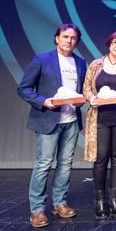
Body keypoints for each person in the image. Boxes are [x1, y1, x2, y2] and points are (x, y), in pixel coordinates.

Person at [17, 23, 87, 228]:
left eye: (73, 38)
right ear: (57, 38)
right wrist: (43, 101)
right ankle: (37, 210)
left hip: (71, 121)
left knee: (65, 164)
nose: (69, 41)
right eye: (65, 37)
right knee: (44, 164)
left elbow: (79, 90)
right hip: (48, 119)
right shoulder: (42, 59)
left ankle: (59, 203)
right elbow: (24, 89)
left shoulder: (80, 62)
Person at [83, 31, 116, 219]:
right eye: (115, 42)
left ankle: (114, 198)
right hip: (100, 118)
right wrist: (91, 98)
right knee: (100, 158)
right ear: (109, 44)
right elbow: (87, 87)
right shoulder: (96, 64)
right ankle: (99, 200)